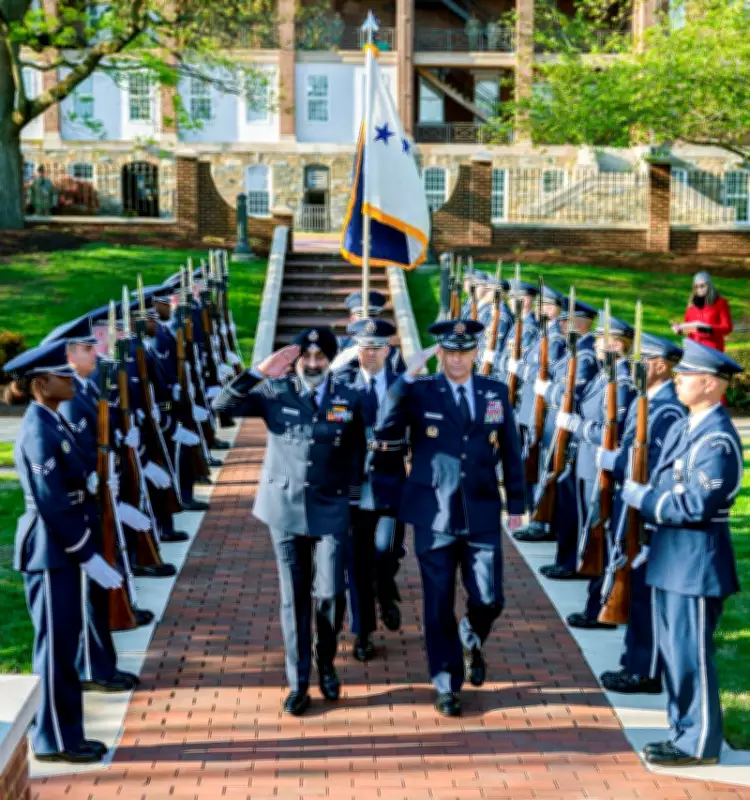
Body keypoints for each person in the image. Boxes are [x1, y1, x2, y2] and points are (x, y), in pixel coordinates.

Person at [212, 327, 366, 716]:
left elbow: (355, 452)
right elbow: (222, 406)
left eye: (320, 359)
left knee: (330, 593)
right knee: (293, 597)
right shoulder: (274, 391)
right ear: (297, 359)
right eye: (307, 358)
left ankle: (326, 662)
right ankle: (298, 682)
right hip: (283, 507)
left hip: (331, 507)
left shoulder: (349, 396)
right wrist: (259, 371)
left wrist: (349, 501)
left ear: (331, 360)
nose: (313, 365)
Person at [375, 319, 525, 717]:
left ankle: (471, 635)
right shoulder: (422, 391)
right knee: (438, 603)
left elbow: (510, 448)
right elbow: (385, 425)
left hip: (481, 510)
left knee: (489, 598)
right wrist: (404, 380)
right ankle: (446, 682)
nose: (458, 358)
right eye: (450, 351)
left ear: (475, 353)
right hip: (433, 512)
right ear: (440, 353)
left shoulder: (494, 392)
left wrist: (520, 505)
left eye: (465, 351)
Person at [621, 339, 744, 766]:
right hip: (671, 558)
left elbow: (694, 505)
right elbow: (664, 482)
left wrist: (645, 500)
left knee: (691, 655)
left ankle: (700, 743)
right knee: (675, 653)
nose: (678, 379)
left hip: (695, 563)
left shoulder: (718, 442)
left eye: (686, 376)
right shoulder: (688, 427)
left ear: (710, 385)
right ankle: (682, 732)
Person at [4, 339, 124, 764]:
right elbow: (51, 500)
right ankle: (53, 738)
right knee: (55, 650)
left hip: (63, 547)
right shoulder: (38, 430)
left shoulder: (55, 420)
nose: (72, 380)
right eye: (63, 375)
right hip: (50, 551)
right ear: (41, 384)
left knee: (66, 643)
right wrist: (85, 551)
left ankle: (64, 732)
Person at [50, 316, 141, 691]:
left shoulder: (84, 389)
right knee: (89, 593)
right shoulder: (71, 401)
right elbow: (80, 456)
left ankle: (102, 663)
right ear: (70, 356)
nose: (97, 351)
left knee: (98, 594)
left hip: (97, 495)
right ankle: (93, 666)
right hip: (84, 505)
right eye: (89, 348)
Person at [597, 333, 686, 695]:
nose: (636, 366)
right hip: (633, 501)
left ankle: (645, 670)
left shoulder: (666, 410)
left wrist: (614, 462)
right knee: (633, 587)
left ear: (661, 365)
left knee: (645, 592)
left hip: (648, 506)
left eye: (644, 360)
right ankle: (633, 661)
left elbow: (648, 462)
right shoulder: (646, 400)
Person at [552, 313, 636, 625]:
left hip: (600, 468)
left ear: (617, 344)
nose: (597, 344)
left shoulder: (621, 380)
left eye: (602, 339)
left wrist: (579, 427)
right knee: (594, 534)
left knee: (603, 537)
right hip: (588, 464)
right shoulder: (606, 374)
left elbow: (613, 432)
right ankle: (596, 604)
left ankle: (600, 607)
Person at [335, 318, 407, 662]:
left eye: (378, 347)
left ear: (388, 350)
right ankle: (362, 632)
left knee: (386, 552)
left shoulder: (404, 385)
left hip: (391, 483)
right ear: (356, 350)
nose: (372, 354)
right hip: (352, 486)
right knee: (356, 562)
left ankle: (385, 587)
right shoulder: (341, 385)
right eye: (365, 348)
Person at [672, 272, 733, 353]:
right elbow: (691, 328)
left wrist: (708, 328)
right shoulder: (692, 306)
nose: (699, 289)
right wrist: (679, 329)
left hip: (713, 351)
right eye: (696, 287)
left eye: (702, 286)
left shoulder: (720, 303)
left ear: (709, 285)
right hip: (693, 349)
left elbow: (727, 328)